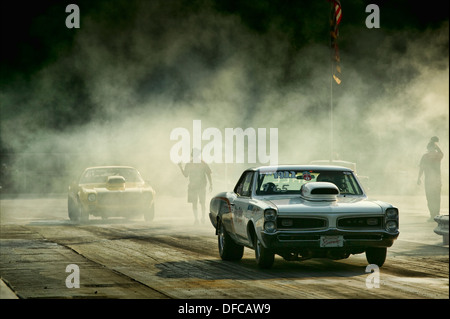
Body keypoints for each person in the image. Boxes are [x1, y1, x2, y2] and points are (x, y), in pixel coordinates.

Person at [178, 149, 212, 224]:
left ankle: (200, 218)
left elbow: (208, 174)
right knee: (197, 203)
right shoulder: (200, 163)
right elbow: (186, 175)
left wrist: (211, 184)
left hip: (198, 186)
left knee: (199, 203)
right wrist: (180, 167)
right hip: (196, 186)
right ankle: (198, 218)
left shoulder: (192, 164)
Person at [417, 136, 444, 221]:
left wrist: (418, 178)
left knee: (430, 198)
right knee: (437, 198)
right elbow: (442, 153)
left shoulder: (425, 156)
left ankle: (432, 215)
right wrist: (436, 145)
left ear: (428, 148)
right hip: (437, 180)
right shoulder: (437, 156)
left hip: (428, 181)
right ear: (434, 148)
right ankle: (437, 214)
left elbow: (421, 168)